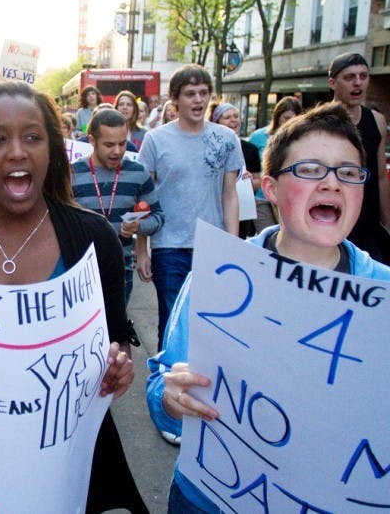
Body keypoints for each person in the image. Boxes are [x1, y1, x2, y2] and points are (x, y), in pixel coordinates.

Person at [0, 81, 148, 514]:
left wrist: (117, 368)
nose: (17, 152)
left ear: (52, 150)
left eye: (32, 137)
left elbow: (115, 341)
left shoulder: (95, 241)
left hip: (62, 462)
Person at [146, 101, 390, 511]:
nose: (332, 184)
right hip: (211, 498)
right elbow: (163, 387)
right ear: (271, 189)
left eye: (348, 173)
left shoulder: (382, 291)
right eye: (311, 170)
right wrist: (169, 399)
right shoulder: (220, 277)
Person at [137, 64, 243, 362]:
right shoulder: (156, 140)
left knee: (212, 324)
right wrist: (141, 249)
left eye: (203, 93)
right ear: (175, 100)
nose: (198, 100)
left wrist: (232, 245)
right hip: (168, 246)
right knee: (172, 322)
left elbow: (230, 194)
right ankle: (166, 391)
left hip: (212, 245)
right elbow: (144, 200)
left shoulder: (226, 139)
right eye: (190, 94)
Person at [72, 108, 164, 306]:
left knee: (116, 332)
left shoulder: (138, 173)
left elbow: (158, 217)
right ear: (92, 141)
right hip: (81, 273)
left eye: (122, 143)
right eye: (109, 144)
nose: (118, 151)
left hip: (122, 271)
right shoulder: (72, 174)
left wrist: (139, 227)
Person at [328, 52, 390, 263]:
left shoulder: (377, 121)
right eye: (349, 77)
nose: (358, 83)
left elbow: (381, 176)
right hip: (331, 219)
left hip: (368, 224)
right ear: (333, 82)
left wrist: (387, 223)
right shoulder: (318, 122)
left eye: (363, 76)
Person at [248, 96, 303, 231]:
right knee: (268, 239)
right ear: (278, 117)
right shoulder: (258, 137)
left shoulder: (301, 140)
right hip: (262, 197)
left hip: (289, 197)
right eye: (286, 118)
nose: (289, 122)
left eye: (293, 119)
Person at [209, 101, 261, 238]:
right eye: (227, 117)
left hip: (242, 212)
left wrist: (250, 180)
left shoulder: (250, 149)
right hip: (214, 210)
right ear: (217, 122)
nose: (233, 120)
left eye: (236, 116)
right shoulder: (208, 149)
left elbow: (257, 183)